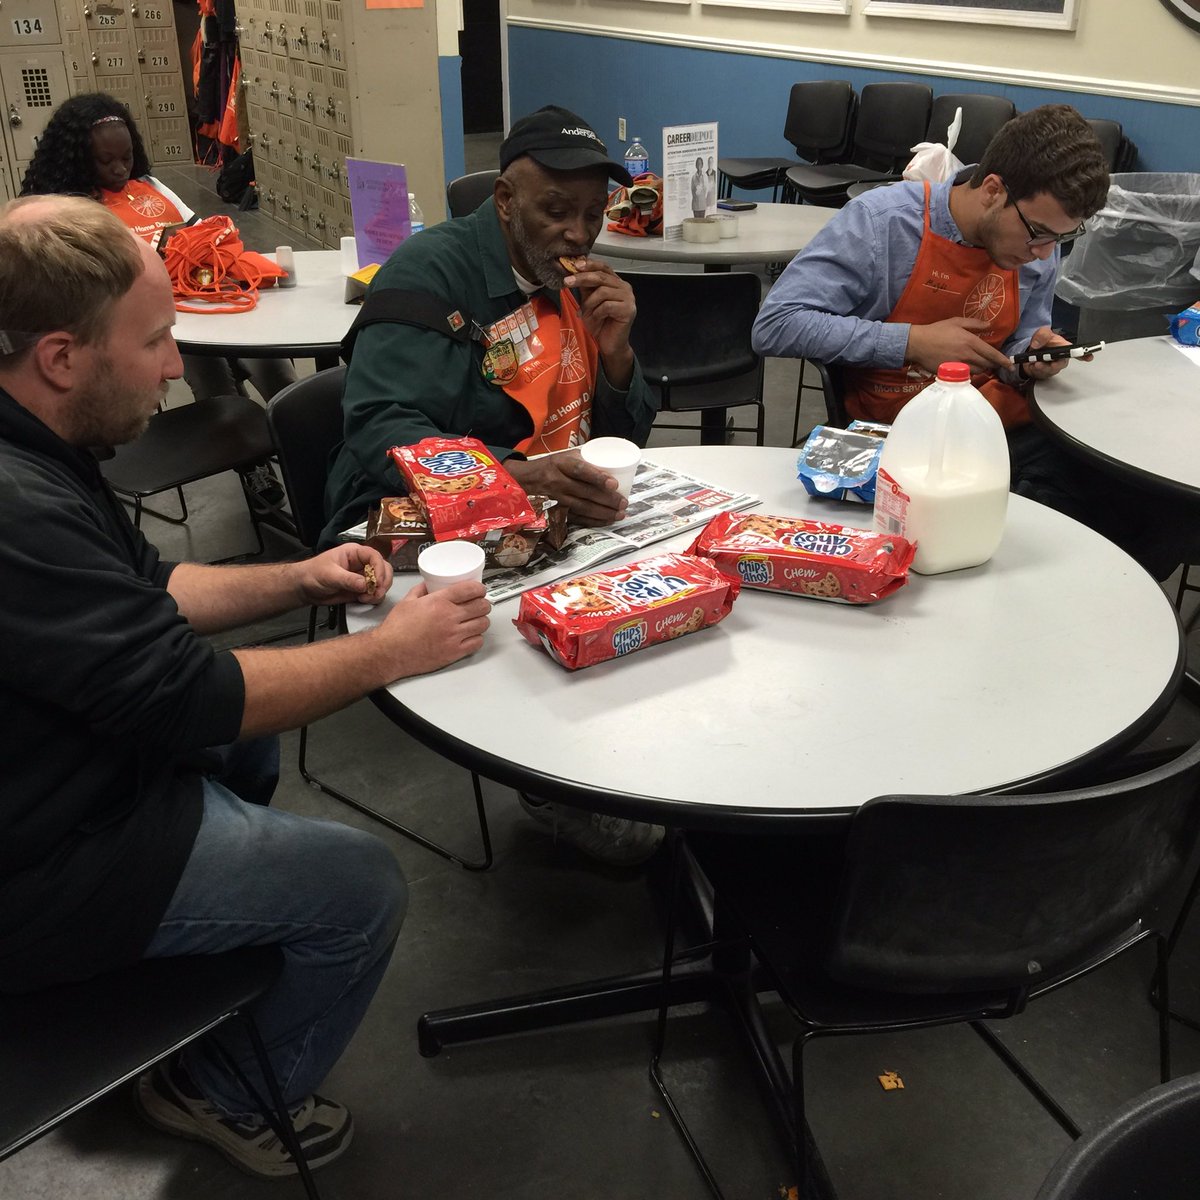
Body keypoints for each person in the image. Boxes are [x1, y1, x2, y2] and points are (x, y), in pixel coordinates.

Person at [0, 195, 491, 1178]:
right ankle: (215, 1092)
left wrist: (298, 576)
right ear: (62, 357)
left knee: (249, 747)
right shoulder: (17, 510)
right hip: (33, 863)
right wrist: (394, 650)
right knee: (360, 890)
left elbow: (150, 588)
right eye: (157, 341)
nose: (178, 367)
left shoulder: (38, 444)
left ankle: (182, 947)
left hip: (46, 770)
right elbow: (185, 696)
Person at [322, 104, 663, 866]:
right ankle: (559, 782)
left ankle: (619, 756)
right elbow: (378, 431)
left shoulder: (572, 284)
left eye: (591, 214)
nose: (578, 234)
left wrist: (618, 356)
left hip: (549, 508)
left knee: (659, 596)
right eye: (554, 210)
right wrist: (515, 470)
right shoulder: (432, 272)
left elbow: (622, 437)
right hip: (409, 521)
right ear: (504, 200)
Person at [753, 103, 1196, 580]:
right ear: (992, 191)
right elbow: (777, 323)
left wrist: (1030, 355)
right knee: (1053, 530)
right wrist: (910, 342)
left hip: (999, 426)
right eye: (1040, 235)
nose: (1046, 255)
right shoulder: (882, 223)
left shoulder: (1037, 242)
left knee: (1155, 507)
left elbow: (1021, 336)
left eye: (1063, 239)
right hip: (909, 443)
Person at [20, 93, 295, 419]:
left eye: (127, 156)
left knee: (267, 356)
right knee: (209, 369)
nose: (121, 169)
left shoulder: (148, 185)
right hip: (142, 318)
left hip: (203, 291)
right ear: (79, 159)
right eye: (106, 161)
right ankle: (246, 453)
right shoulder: (69, 213)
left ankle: (293, 423)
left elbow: (202, 230)